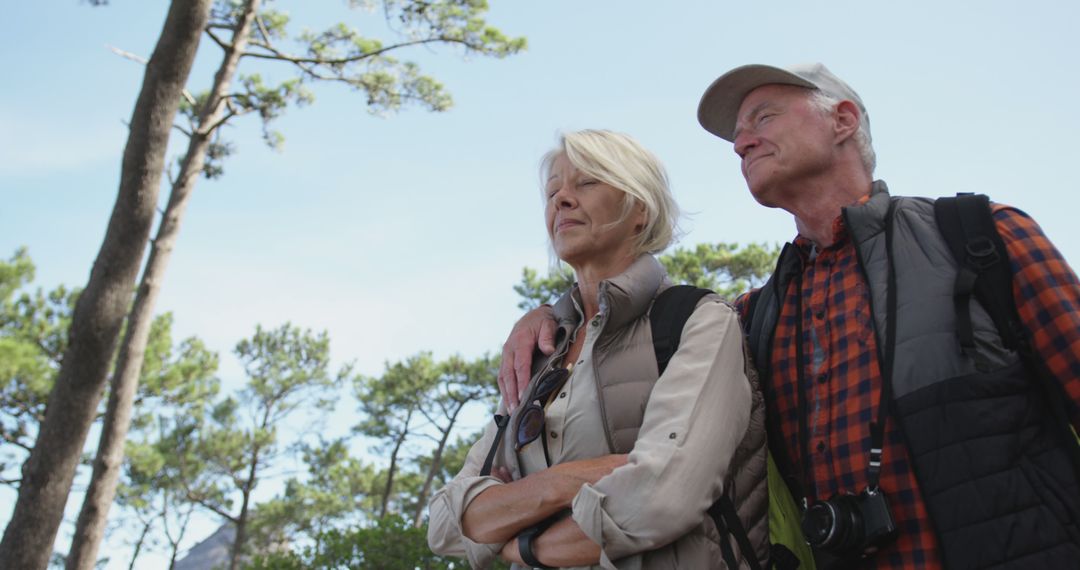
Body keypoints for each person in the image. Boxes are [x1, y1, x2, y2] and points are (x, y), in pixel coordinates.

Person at [497, 65, 1080, 569]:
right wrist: (555, 314)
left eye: (762, 118)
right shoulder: (753, 316)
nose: (740, 141)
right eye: (737, 134)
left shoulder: (978, 238)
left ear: (843, 120)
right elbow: (635, 319)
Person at [427, 129, 768, 569]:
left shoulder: (698, 321)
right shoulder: (537, 354)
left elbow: (661, 498)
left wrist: (518, 537)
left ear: (639, 209)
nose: (561, 200)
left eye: (587, 183)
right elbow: (443, 524)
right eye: (553, 191)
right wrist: (566, 481)